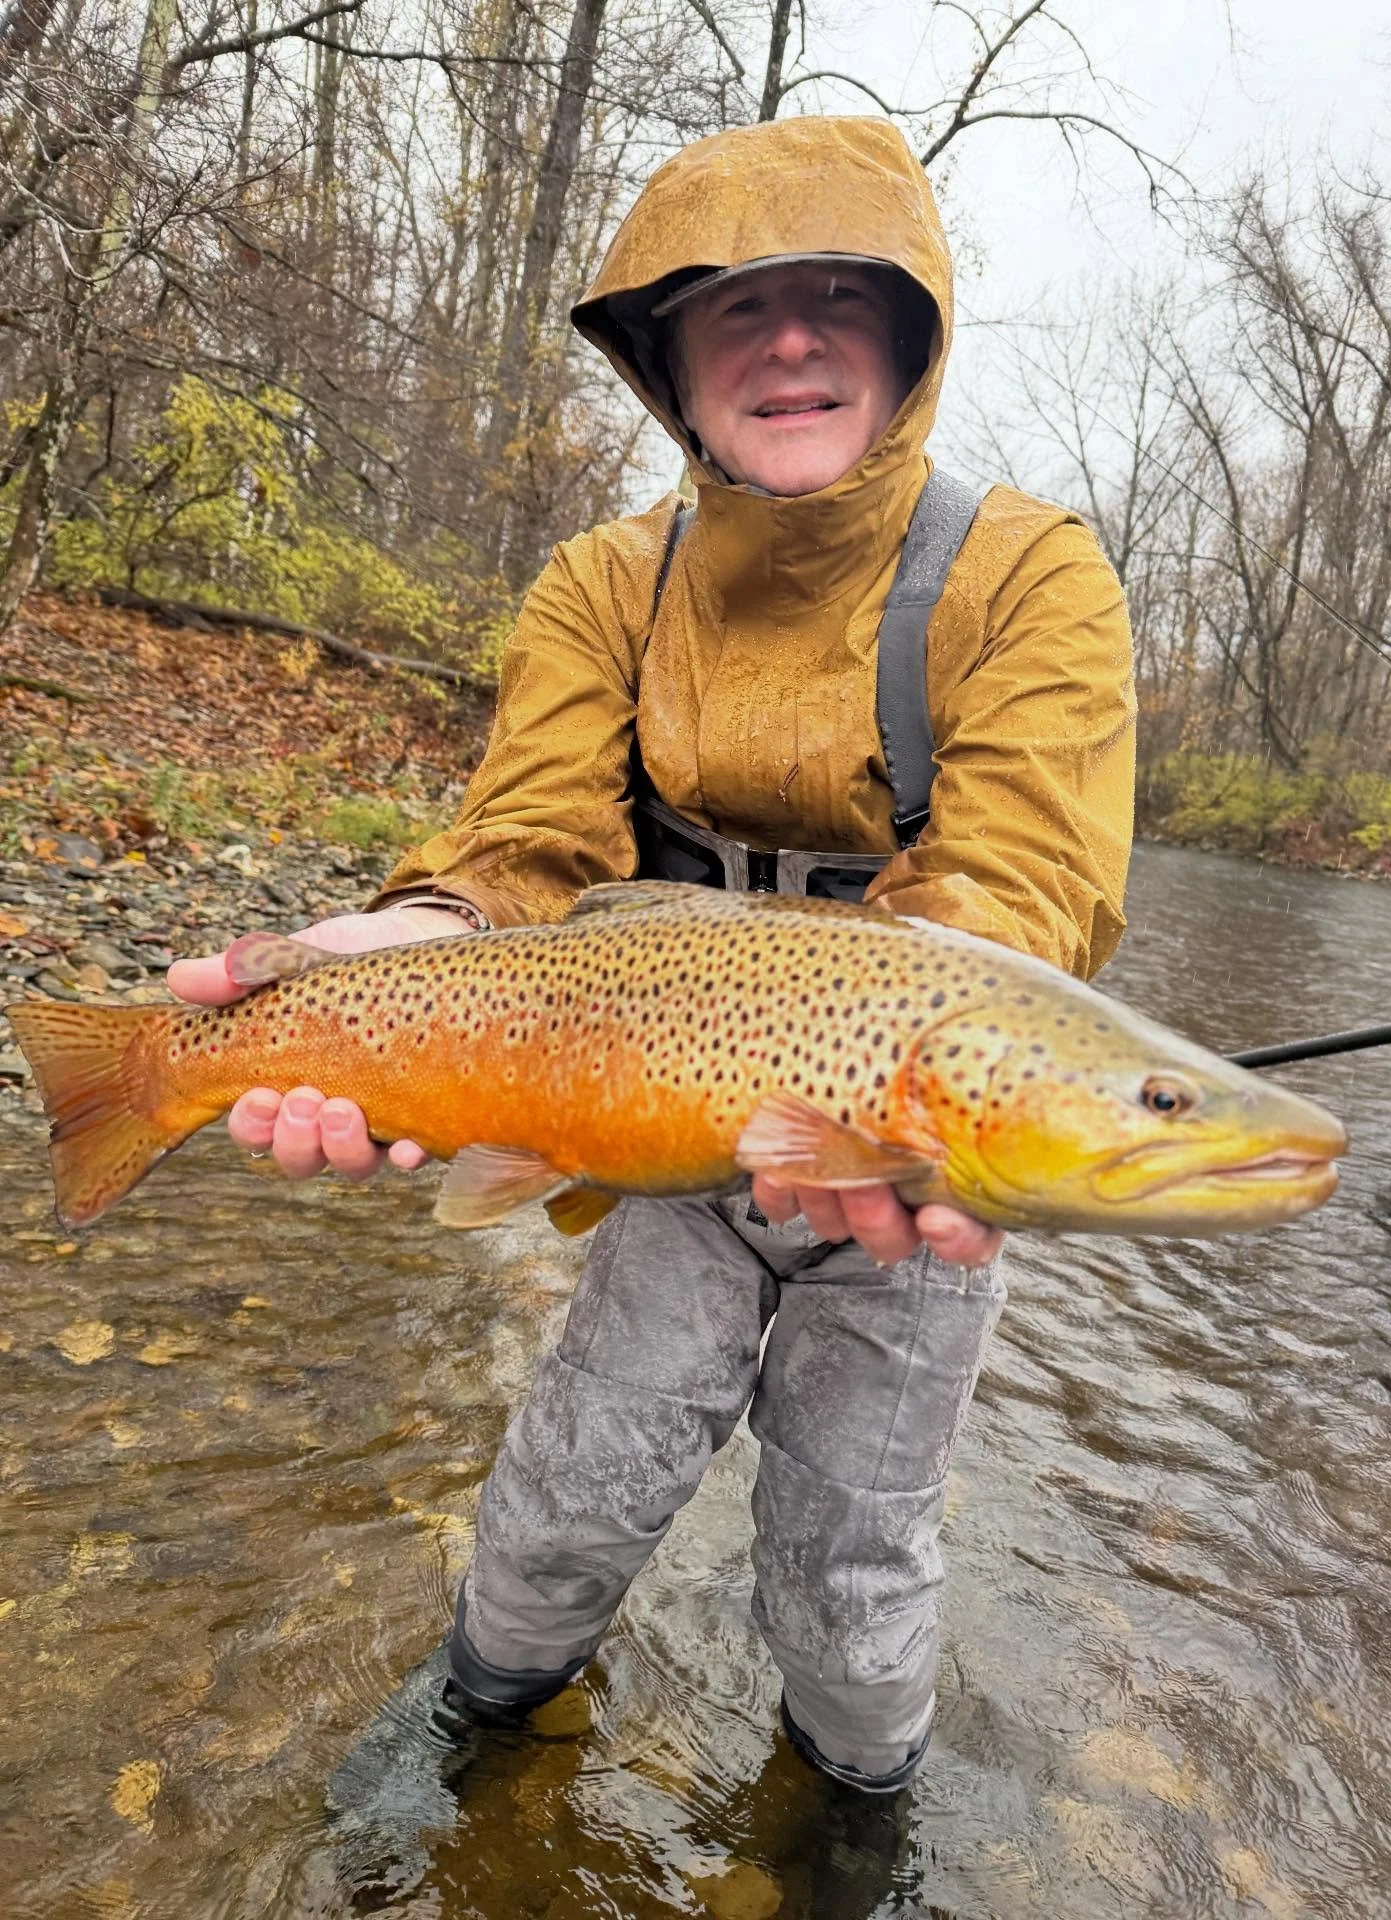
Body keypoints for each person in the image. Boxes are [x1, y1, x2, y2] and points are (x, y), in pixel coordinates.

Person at [172, 116, 1134, 1821]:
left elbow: (1021, 877)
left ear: (911, 343)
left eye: (841, 292)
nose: (788, 338)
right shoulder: (604, 583)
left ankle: (855, 1801)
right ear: (667, 364)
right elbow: (527, 837)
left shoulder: (1027, 573)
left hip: (912, 1148)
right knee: (575, 1482)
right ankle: (485, 1708)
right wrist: (421, 935)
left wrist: (931, 1078)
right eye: (731, 306)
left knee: (856, 1546)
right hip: (639, 1106)